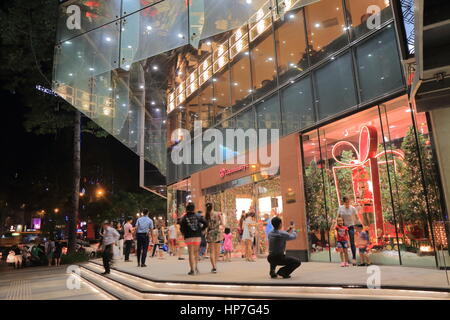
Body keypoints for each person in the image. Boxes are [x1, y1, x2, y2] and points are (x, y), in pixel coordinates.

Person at [180, 202, 208, 275]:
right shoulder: (198, 216)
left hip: (188, 236)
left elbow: (181, 227)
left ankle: (192, 269)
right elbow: (206, 223)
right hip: (197, 236)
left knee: (190, 253)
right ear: (194, 208)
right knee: (196, 252)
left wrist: (183, 233)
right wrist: (201, 230)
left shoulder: (184, 217)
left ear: (187, 209)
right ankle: (196, 267)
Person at [337, 196, 360, 266]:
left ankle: (354, 258)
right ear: (344, 202)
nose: (347, 203)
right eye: (346, 202)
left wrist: (359, 226)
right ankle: (345, 260)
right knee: (344, 242)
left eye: (348, 202)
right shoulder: (341, 208)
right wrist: (336, 226)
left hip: (350, 226)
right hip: (343, 227)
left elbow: (357, 217)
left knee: (352, 242)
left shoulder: (352, 208)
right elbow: (338, 217)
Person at [205, 203, 223, 273]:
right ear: (212, 207)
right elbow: (222, 223)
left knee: (212, 251)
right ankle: (215, 265)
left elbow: (205, 226)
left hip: (210, 233)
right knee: (217, 251)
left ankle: (214, 267)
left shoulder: (206, 215)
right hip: (217, 233)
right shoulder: (217, 214)